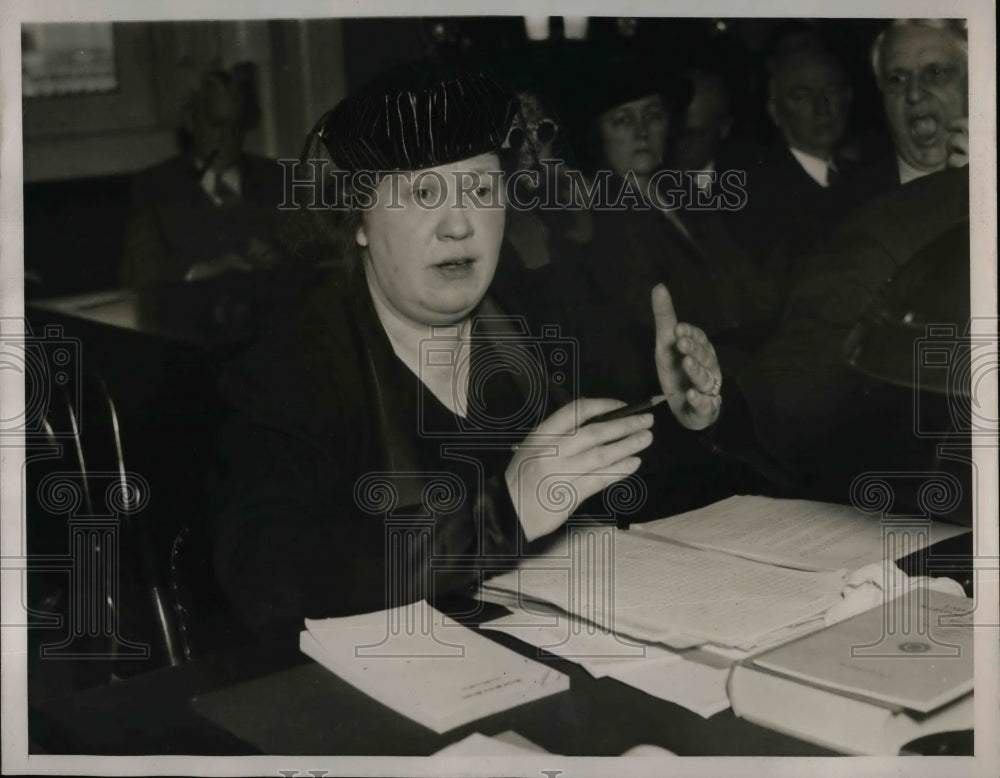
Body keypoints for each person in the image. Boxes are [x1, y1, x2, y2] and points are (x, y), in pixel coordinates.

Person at [210, 63, 743, 638]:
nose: (460, 225)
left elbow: (640, 496)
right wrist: (503, 515)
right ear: (357, 217)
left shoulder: (546, 317)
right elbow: (265, 575)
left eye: (482, 189)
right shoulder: (291, 368)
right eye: (423, 192)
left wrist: (683, 412)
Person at [120, 68, 286, 287]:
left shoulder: (278, 178)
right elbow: (138, 271)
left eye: (237, 126)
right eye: (216, 124)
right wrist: (201, 270)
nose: (228, 138)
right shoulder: (154, 186)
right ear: (191, 121)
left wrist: (279, 260)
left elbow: (316, 257)